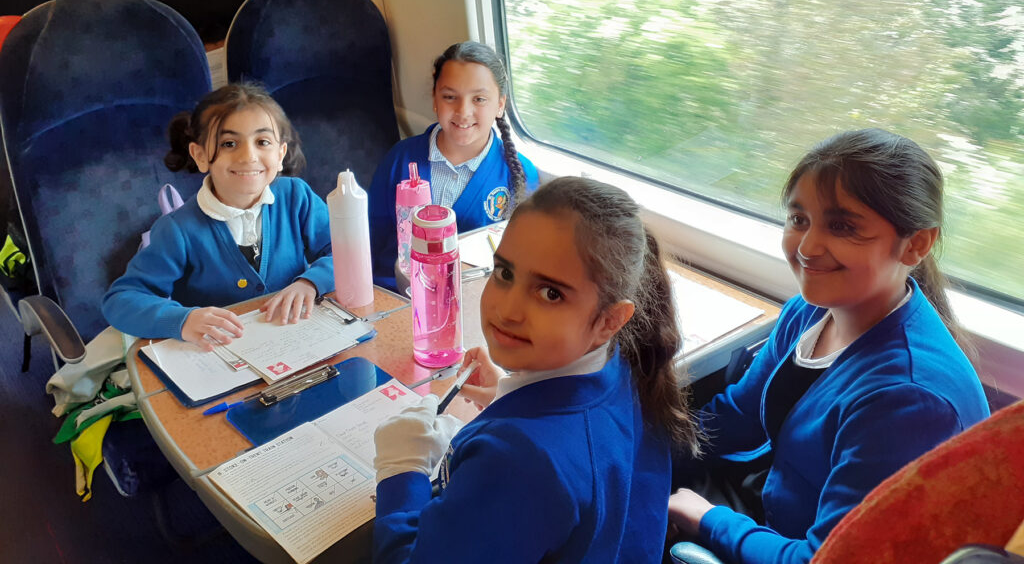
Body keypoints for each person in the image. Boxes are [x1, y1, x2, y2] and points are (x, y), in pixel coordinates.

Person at [667, 128, 990, 564]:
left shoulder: (907, 400)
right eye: (799, 219)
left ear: (915, 244)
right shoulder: (811, 310)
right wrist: (644, 445)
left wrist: (708, 520)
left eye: (842, 226)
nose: (807, 246)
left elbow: (825, 558)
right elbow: (741, 413)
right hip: (780, 504)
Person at [371, 176, 700, 563]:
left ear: (610, 320)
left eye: (550, 293)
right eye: (505, 273)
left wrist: (402, 471)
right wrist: (517, 393)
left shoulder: (515, 460)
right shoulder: (628, 364)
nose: (507, 309)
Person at [102, 83, 333, 351]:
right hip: (220, 357)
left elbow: (346, 252)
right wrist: (182, 320)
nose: (248, 156)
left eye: (262, 142)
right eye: (229, 143)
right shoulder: (178, 230)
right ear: (200, 156)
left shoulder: (296, 197)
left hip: (299, 342)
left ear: (280, 154)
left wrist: (312, 281)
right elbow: (121, 300)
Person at [368, 41, 539, 290]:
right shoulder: (400, 159)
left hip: (473, 299)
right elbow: (372, 239)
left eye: (479, 99)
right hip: (396, 293)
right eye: (450, 97)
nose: (463, 111)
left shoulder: (519, 174)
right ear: (435, 100)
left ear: (500, 104)